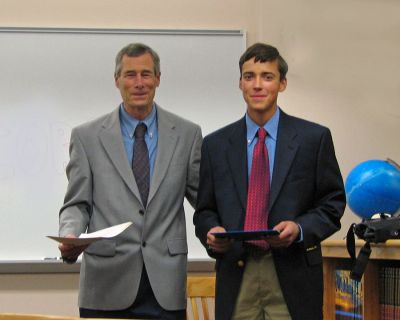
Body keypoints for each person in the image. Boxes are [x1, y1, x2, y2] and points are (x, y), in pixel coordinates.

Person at [193, 43, 346, 320]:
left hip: (293, 274)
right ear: (240, 83)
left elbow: (332, 204)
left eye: (267, 76)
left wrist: (300, 228)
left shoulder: (314, 139)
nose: (257, 85)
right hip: (237, 273)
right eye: (249, 76)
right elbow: (204, 210)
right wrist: (211, 232)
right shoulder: (215, 145)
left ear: (282, 83)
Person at [58, 43, 202, 320]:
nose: (139, 83)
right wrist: (70, 234)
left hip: (165, 285)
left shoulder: (187, 134)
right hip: (106, 283)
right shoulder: (87, 137)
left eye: (146, 74)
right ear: (117, 80)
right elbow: (76, 203)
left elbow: (204, 200)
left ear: (158, 79)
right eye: (130, 75)